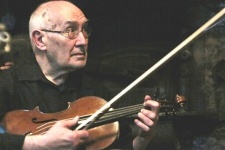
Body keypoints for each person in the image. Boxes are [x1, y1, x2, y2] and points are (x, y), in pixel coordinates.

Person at [0, 1, 160, 150]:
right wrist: (41, 143)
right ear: (40, 40)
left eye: (84, 29)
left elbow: (123, 145)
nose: (83, 41)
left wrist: (143, 137)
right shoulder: (6, 83)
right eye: (70, 30)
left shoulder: (96, 92)